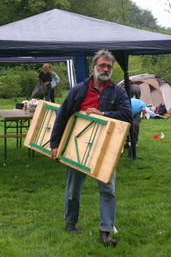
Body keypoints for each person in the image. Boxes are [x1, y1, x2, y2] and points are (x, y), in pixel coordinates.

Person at [50, 49, 132, 247]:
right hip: (77, 144)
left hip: (106, 146)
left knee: (108, 189)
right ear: (94, 67)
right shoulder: (79, 89)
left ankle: (106, 231)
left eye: (109, 67)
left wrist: (102, 113)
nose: (105, 69)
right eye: (102, 65)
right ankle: (71, 222)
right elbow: (62, 116)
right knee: (73, 189)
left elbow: (127, 115)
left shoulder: (118, 91)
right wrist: (55, 144)